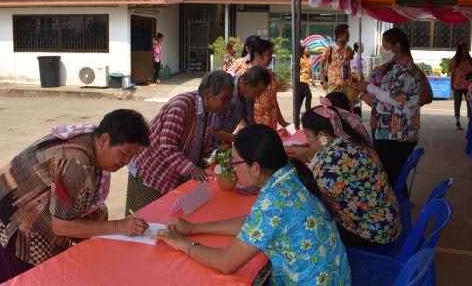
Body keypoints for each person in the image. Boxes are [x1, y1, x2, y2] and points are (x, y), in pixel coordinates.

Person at [155, 125, 351, 285]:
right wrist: (194, 228)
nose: (233, 169)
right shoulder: (289, 173)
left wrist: (181, 243)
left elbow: (226, 263)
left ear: (255, 167)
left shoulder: (275, 199)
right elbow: (253, 224)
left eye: (235, 163)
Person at [0, 110, 151, 284]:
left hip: (27, 204)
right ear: (104, 140)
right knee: (23, 280)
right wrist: (118, 226)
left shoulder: (92, 142)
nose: (126, 162)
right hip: (13, 217)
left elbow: (82, 200)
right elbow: (61, 226)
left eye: (131, 157)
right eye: (123, 154)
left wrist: (104, 223)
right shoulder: (75, 161)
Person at [126, 71, 234, 212]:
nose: (226, 105)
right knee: (142, 220)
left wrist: (217, 159)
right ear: (207, 94)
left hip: (170, 175)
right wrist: (191, 168)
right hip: (149, 172)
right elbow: (167, 146)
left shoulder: (209, 111)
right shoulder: (181, 107)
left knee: (165, 219)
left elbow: (200, 144)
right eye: (224, 99)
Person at [302, 100, 401, 247]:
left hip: (373, 232)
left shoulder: (331, 162)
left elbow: (312, 199)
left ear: (322, 135)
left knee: (307, 230)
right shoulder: (350, 141)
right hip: (387, 219)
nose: (307, 141)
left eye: (307, 136)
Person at [354, 28, 424, 187]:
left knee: (390, 177)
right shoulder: (396, 67)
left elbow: (397, 100)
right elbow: (386, 99)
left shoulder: (406, 69)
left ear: (397, 46)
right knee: (392, 175)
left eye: (386, 46)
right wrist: (366, 93)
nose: (383, 50)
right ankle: (398, 203)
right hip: (388, 131)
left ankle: (392, 209)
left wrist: (370, 87)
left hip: (398, 134)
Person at [234, 38, 289, 131]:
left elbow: (273, 101)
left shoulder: (270, 75)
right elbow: (236, 105)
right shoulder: (245, 75)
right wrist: (242, 126)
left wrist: (282, 122)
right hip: (254, 125)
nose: (271, 58)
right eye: (269, 55)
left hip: (271, 125)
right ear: (257, 55)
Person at [211, 66, 271, 144]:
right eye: (257, 92)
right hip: (207, 145)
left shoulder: (247, 95)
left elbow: (250, 121)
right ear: (246, 84)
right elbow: (212, 130)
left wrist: (261, 135)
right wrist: (239, 139)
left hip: (221, 144)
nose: (258, 96)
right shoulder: (225, 91)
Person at [319, 24, 357, 103]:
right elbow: (321, 65)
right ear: (340, 35)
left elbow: (349, 66)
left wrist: (352, 79)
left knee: (348, 107)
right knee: (332, 107)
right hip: (333, 84)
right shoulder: (329, 49)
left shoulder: (349, 50)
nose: (349, 35)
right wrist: (323, 81)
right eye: (347, 34)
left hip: (346, 84)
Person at [449, 42, 472, 130]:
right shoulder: (455, 60)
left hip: (468, 86)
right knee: (457, 103)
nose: (466, 50)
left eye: (467, 48)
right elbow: (452, 74)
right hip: (457, 85)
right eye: (465, 48)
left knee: (469, 103)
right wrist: (451, 85)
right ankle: (457, 121)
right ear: (460, 49)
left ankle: (470, 120)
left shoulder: (469, 60)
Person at [297, 45, 314, 116]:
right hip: (301, 80)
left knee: (301, 97)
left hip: (306, 81)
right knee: (309, 95)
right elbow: (297, 70)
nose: (309, 50)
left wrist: (312, 79)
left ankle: (296, 113)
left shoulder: (308, 59)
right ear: (303, 50)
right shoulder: (300, 59)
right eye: (307, 49)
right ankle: (309, 113)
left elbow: (310, 70)